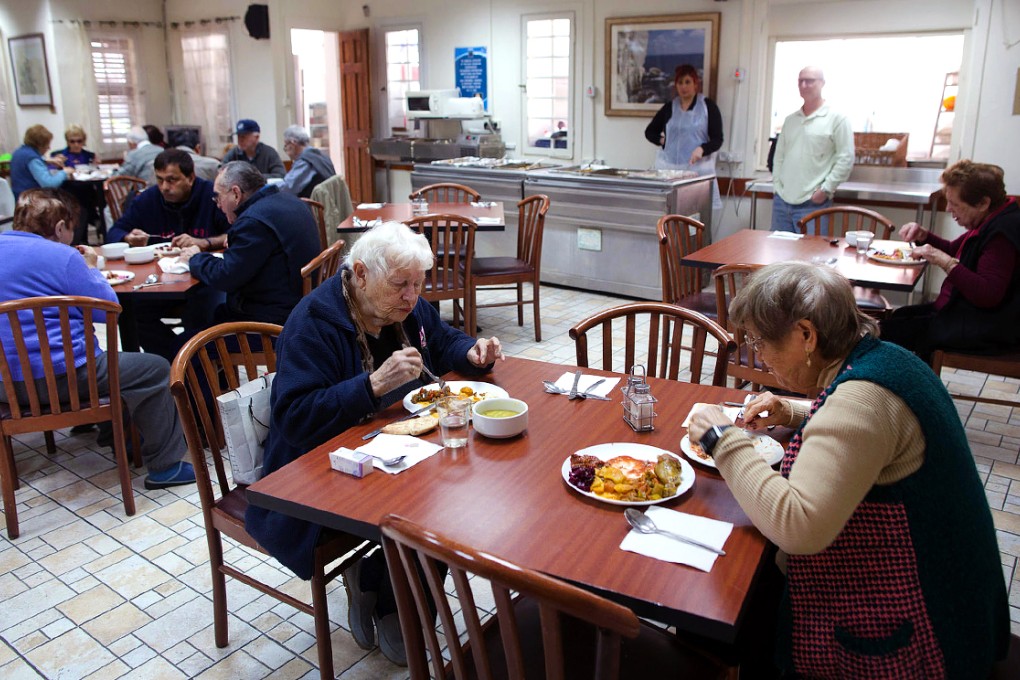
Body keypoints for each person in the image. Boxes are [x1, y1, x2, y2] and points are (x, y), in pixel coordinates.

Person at [688, 262, 1008, 678]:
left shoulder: (862, 402)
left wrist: (720, 438)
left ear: (806, 335)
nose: (759, 358)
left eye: (762, 343)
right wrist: (793, 410)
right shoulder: (890, 360)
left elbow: (797, 526)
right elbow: (859, 424)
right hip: (967, 598)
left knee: (726, 603)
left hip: (928, 627)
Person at [245, 220, 504, 665]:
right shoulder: (313, 323)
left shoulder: (405, 308)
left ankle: (388, 594)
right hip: (315, 469)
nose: (412, 297)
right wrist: (372, 386)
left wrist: (471, 352)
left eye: (419, 285)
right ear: (360, 274)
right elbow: (294, 417)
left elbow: (441, 342)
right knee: (431, 506)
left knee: (452, 489)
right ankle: (393, 601)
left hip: (385, 444)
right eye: (401, 285)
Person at [0, 188, 196, 490]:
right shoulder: (63, 257)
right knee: (154, 368)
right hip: (68, 377)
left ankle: (101, 424)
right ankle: (165, 467)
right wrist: (90, 267)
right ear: (60, 228)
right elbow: (108, 313)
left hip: (4, 387)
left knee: (101, 363)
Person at [881, 160, 1020, 363]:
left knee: (886, 333)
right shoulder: (990, 218)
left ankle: (911, 385)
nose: (948, 209)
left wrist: (945, 262)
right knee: (897, 317)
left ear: (983, 203)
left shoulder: (1002, 235)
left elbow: (988, 294)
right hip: (962, 313)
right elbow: (955, 250)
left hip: (988, 329)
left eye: (955, 204)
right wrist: (923, 235)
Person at [107, 149, 230, 361]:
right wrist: (128, 237)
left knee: (206, 314)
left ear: (190, 178)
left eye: (172, 180)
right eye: (160, 180)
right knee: (133, 312)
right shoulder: (148, 199)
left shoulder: (212, 196)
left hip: (204, 280)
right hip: (160, 282)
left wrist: (205, 243)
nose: (165, 187)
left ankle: (200, 368)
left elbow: (234, 233)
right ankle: (176, 363)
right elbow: (114, 232)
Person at [178, 161, 319, 325]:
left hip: (271, 323)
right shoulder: (290, 201)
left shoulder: (253, 222)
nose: (218, 205)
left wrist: (195, 258)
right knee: (209, 311)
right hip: (299, 306)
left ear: (236, 194)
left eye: (218, 197)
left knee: (182, 342)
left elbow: (225, 277)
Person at [770, 66, 854, 232]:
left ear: (822, 83)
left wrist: (826, 189)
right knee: (779, 254)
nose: (804, 85)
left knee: (811, 255)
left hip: (813, 204)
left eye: (810, 80)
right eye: (800, 81)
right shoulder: (791, 120)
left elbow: (846, 158)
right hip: (782, 202)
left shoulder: (837, 119)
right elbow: (779, 157)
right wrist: (777, 188)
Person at [644, 64, 723, 210]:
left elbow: (717, 139)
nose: (683, 87)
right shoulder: (669, 108)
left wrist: (702, 149)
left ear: (695, 84)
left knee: (696, 221)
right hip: (670, 174)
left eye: (687, 82)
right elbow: (650, 132)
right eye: (680, 83)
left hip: (698, 174)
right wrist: (662, 140)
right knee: (670, 217)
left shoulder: (707, 107)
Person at [10, 124, 74, 200]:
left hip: (20, 197)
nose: (49, 147)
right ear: (40, 145)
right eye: (47, 144)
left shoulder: (18, 152)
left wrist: (45, 161)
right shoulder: (33, 159)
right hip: (33, 201)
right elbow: (49, 184)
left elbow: (26, 165)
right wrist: (64, 172)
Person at [280, 125, 336, 198]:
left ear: (293, 142)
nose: (286, 150)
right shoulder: (321, 155)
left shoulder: (305, 161)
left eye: (286, 146)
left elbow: (287, 188)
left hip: (313, 206)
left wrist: (268, 186)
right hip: (327, 202)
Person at [220, 119, 286, 179]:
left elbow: (281, 175)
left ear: (257, 137)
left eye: (244, 137)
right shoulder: (234, 153)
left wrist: (254, 178)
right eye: (238, 136)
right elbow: (222, 171)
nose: (240, 140)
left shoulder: (269, 153)